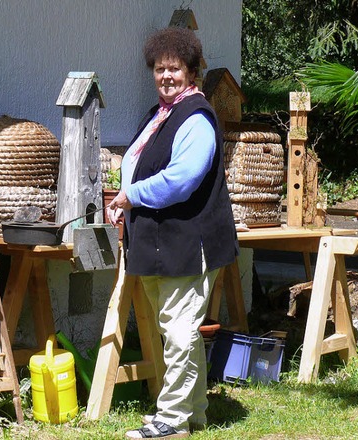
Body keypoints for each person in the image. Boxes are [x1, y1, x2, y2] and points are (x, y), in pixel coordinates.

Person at [106, 26, 239, 440]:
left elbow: (182, 179)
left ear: (191, 70)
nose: (166, 76)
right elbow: (138, 165)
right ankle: (194, 411)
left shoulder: (196, 117)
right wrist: (123, 203)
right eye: (160, 69)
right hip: (158, 242)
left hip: (188, 241)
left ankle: (171, 420)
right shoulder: (160, 114)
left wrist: (131, 195)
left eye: (174, 69)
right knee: (175, 331)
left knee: (180, 331)